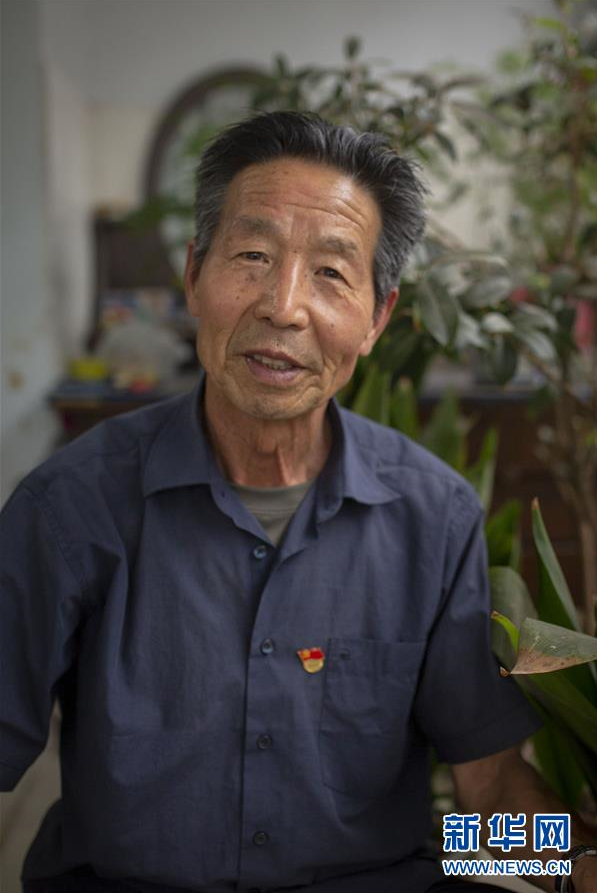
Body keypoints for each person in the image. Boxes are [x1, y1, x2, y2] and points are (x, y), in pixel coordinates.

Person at [1, 111, 595, 893]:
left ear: (377, 318)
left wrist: (576, 866)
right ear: (193, 275)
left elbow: (484, 794)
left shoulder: (434, 516)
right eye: (252, 255)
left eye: (330, 272)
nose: (283, 306)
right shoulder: (67, 507)